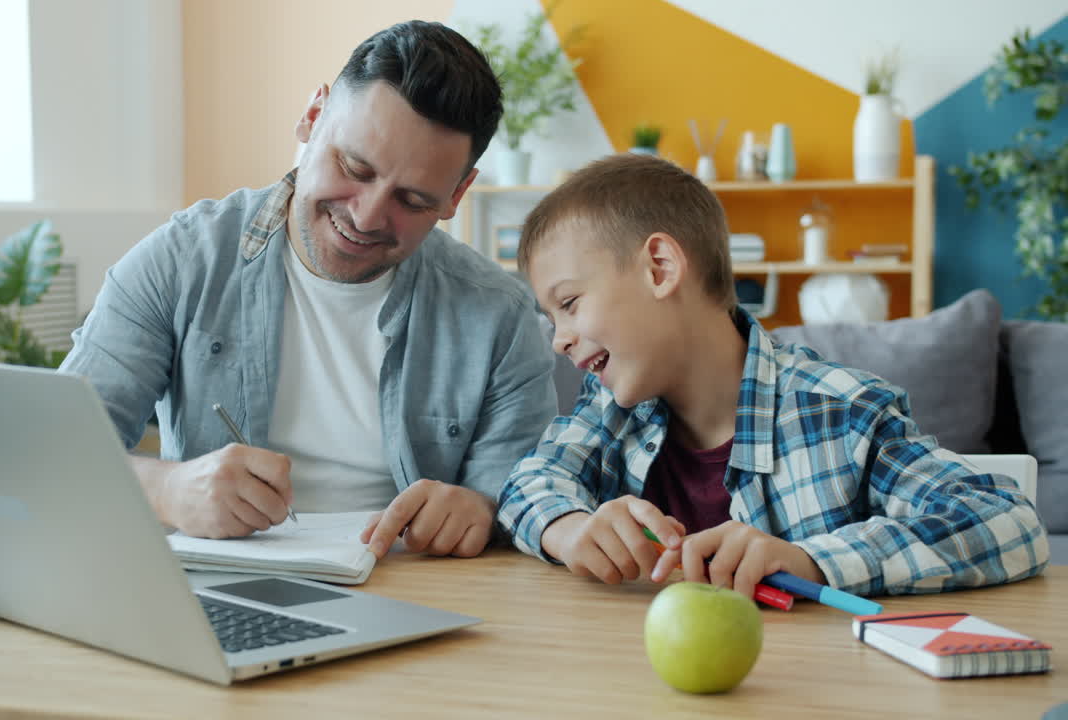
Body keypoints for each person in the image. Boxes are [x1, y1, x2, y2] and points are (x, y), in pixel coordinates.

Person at [61, 21, 556, 559]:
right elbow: (50, 447)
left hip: (420, 595)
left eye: (413, 201)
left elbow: (522, 499)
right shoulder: (180, 261)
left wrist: (481, 509)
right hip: (221, 592)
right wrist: (166, 490)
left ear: (457, 193)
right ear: (313, 117)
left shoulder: (501, 316)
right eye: (354, 167)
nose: (366, 217)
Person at [496, 152, 1048, 597]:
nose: (558, 338)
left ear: (659, 268)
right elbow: (527, 483)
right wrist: (570, 529)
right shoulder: (609, 409)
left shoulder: (843, 411)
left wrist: (811, 560)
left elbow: (1005, 521)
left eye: (568, 303)